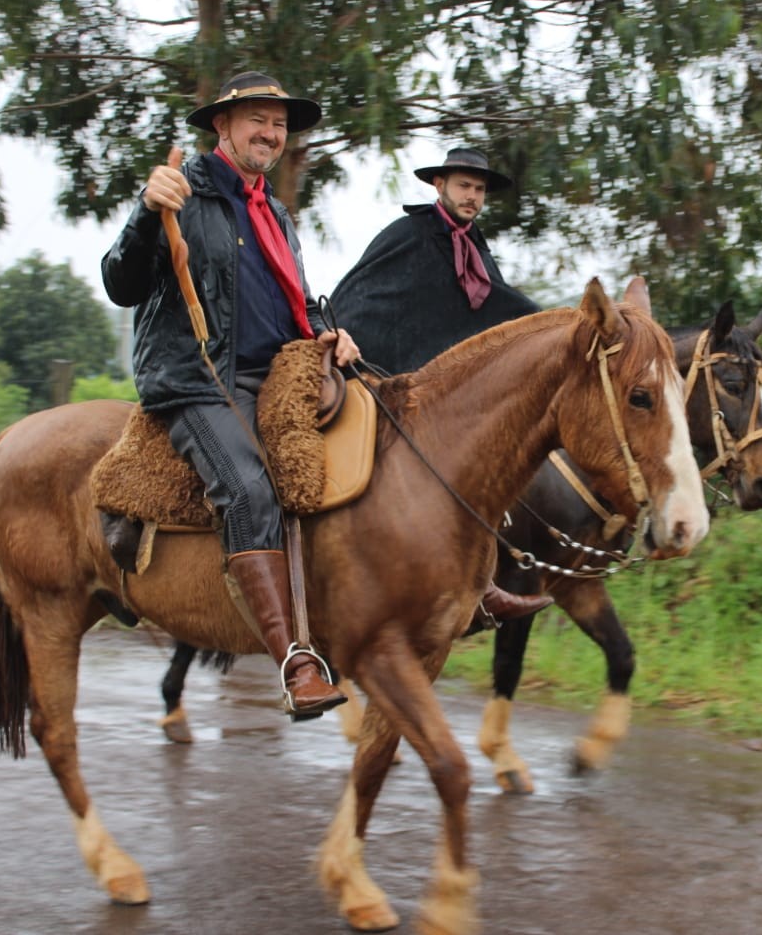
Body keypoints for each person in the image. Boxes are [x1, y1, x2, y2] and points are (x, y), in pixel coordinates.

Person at [102, 71, 356, 718]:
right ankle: (296, 662)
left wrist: (329, 334)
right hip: (198, 379)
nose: (270, 133)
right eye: (257, 120)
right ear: (223, 125)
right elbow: (121, 282)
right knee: (248, 487)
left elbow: (291, 302)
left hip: (277, 375)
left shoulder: (275, 212)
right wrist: (144, 211)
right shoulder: (182, 192)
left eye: (279, 124)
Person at [329, 146, 551, 623]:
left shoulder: (476, 246)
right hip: (381, 373)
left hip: (438, 386)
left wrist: (552, 326)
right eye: (464, 186)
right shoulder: (409, 234)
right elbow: (361, 297)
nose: (472, 197)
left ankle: (478, 581)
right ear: (439, 186)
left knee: (480, 465)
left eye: (479, 190)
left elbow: (497, 309)